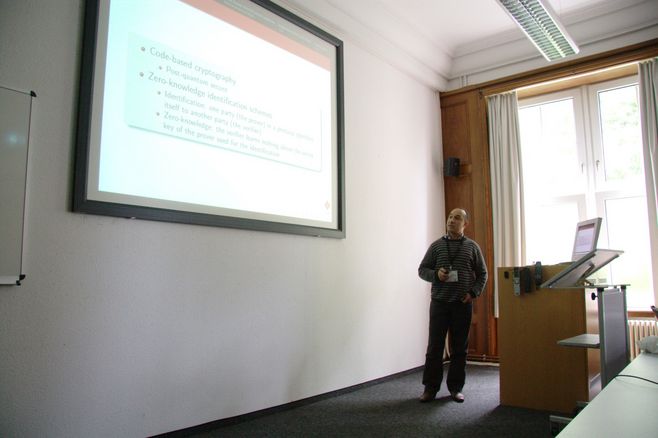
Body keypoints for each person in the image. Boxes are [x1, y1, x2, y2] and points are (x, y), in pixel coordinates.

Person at [417, 208, 488, 403]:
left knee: (459, 349)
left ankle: (456, 388)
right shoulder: (436, 246)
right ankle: (430, 388)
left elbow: (483, 274)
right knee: (434, 348)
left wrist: (473, 293)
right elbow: (422, 270)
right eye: (450, 217)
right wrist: (436, 275)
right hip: (439, 304)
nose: (451, 220)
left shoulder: (472, 247)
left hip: (461, 305)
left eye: (457, 218)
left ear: (465, 224)